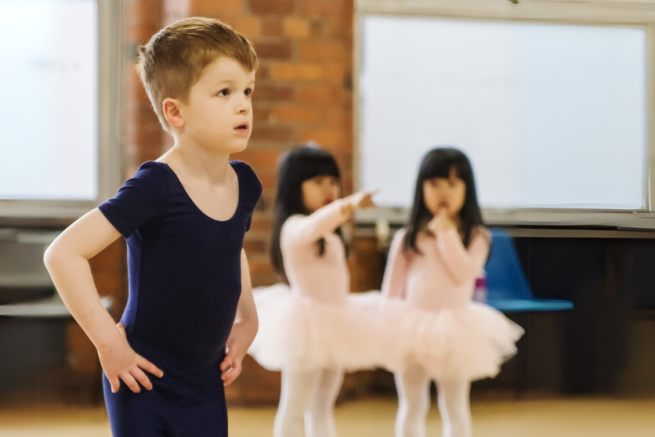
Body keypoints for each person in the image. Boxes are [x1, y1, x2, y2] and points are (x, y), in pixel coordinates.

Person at [43, 17, 262, 437]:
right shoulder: (156, 185)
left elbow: (230, 247)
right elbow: (64, 254)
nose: (243, 104)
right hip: (142, 374)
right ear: (174, 111)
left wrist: (248, 320)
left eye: (248, 90)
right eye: (225, 92)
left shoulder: (245, 183)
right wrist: (109, 345)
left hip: (204, 380)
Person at [380, 148, 523, 437]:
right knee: (411, 405)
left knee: (455, 407)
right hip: (411, 329)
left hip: (456, 330)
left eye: (453, 184)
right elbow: (391, 291)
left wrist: (446, 233)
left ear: (467, 190)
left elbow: (463, 273)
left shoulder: (477, 236)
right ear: (421, 189)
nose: (443, 192)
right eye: (434, 184)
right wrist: (383, 325)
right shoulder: (407, 236)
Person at [248, 144, 379, 437]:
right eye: (317, 182)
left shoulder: (331, 233)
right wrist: (349, 205)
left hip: (337, 319)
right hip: (305, 324)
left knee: (322, 406)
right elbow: (314, 226)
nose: (328, 188)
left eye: (333, 181)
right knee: (295, 406)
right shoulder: (295, 227)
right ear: (295, 187)